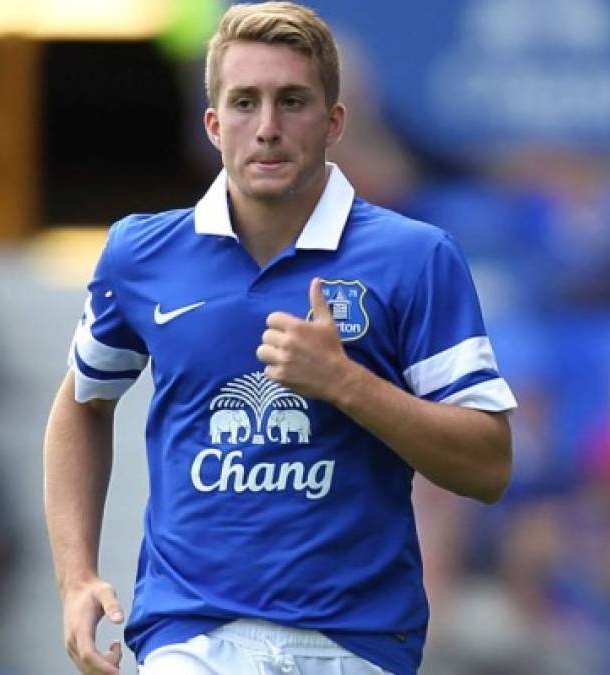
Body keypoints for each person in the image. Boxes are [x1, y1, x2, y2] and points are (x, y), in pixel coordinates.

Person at [43, 3, 516, 674]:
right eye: (243, 103)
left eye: (291, 101)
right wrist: (76, 577)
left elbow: (488, 464)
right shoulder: (140, 254)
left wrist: (346, 383)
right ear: (212, 124)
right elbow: (83, 402)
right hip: (191, 637)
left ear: (334, 122)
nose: (266, 128)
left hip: (355, 643)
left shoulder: (416, 257)